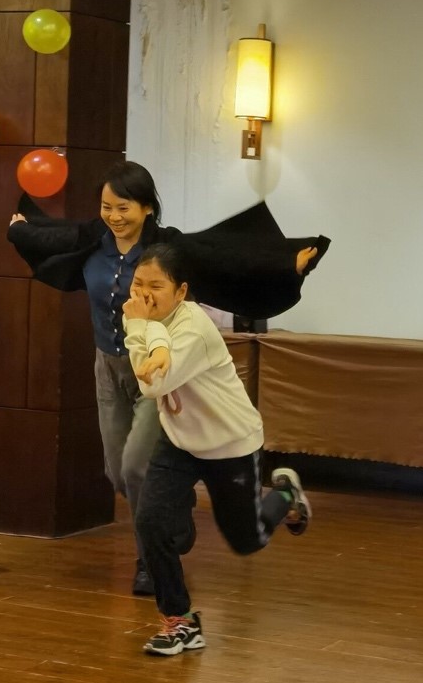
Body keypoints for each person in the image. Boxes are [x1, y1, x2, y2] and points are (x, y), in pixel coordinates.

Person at [7, 161, 328, 597]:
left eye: (123, 208)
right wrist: (22, 229)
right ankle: (175, 506)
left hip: (157, 370)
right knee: (117, 473)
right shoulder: (92, 240)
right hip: (107, 369)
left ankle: (151, 560)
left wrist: (285, 263)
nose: (114, 216)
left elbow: (227, 258)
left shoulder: (168, 249)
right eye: (106, 207)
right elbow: (52, 238)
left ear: (147, 208)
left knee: (137, 467)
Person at [122, 244, 311, 656]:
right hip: (179, 440)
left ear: (181, 291)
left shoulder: (193, 328)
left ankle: (286, 496)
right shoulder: (139, 316)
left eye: (156, 286)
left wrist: (138, 327)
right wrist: (140, 326)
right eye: (138, 284)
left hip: (229, 444)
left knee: (247, 541)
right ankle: (181, 620)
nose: (143, 295)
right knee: (150, 521)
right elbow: (147, 357)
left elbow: (154, 384)